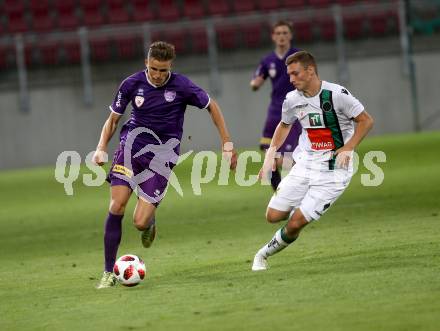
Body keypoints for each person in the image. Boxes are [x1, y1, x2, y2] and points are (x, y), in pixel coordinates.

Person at [92, 41, 238, 288]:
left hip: (162, 157)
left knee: (139, 222)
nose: (158, 75)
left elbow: (212, 106)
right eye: (154, 69)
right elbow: (113, 119)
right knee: (117, 205)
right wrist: (100, 147)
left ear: (170, 66)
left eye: (163, 70)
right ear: (146, 64)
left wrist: (227, 143)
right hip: (130, 149)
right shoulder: (131, 84)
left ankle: (150, 222)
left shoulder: (181, 85)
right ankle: (107, 273)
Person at [251, 50, 374, 271]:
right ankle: (303, 207)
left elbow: (366, 121)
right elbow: (284, 125)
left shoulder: (337, 95)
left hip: (334, 171)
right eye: (289, 75)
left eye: (295, 73)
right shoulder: (292, 99)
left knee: (295, 223)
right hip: (304, 165)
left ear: (310, 71)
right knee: (272, 216)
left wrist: (348, 147)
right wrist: (270, 153)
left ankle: (262, 255)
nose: (291, 79)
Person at [250, 20, 302, 191]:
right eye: (278, 33)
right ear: (273, 36)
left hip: (294, 112)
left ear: (291, 35)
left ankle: (294, 191)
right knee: (269, 156)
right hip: (274, 112)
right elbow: (256, 82)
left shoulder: (299, 57)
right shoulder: (267, 61)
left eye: (285, 33)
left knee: (287, 160)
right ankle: (279, 195)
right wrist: (255, 83)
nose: (282, 36)